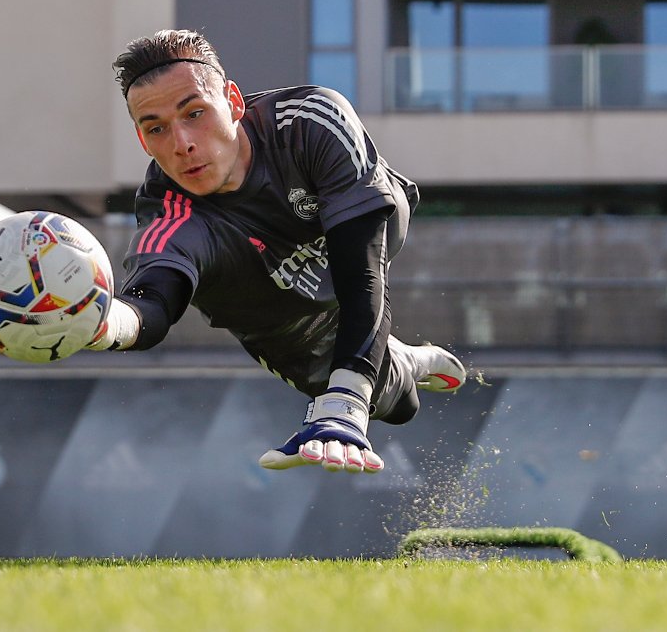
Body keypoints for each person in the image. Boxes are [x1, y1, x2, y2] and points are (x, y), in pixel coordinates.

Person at [86, 29, 465, 474]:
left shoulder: (310, 121)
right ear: (143, 140)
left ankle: (366, 371)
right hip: (280, 311)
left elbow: (360, 274)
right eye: (156, 128)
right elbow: (151, 302)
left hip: (349, 241)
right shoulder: (170, 214)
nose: (182, 143)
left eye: (195, 113)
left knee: (356, 351)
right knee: (400, 406)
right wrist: (99, 321)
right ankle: (410, 361)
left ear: (233, 102)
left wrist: (345, 399)